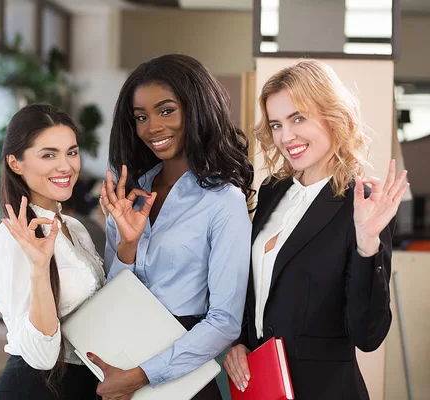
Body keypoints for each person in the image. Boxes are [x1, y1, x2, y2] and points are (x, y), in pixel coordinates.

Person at [223, 60, 409, 399]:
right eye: (276, 124)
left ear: (332, 115)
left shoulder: (362, 202)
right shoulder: (273, 189)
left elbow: (368, 335)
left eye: (298, 118)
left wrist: (368, 244)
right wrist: (240, 342)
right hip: (264, 386)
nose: (286, 136)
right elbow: (260, 288)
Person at [87, 54, 254, 400]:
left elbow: (224, 321)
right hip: (122, 364)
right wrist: (127, 246)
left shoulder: (224, 201)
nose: (152, 128)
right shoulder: (128, 196)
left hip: (182, 380)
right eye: (141, 117)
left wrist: (140, 376)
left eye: (166, 111)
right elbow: (113, 296)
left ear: (196, 109)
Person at [0, 104, 105, 399]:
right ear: (15, 163)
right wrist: (40, 268)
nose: (65, 166)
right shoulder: (12, 240)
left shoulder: (74, 228)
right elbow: (41, 356)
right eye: (48, 154)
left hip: (80, 385)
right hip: (35, 389)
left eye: (71, 152)